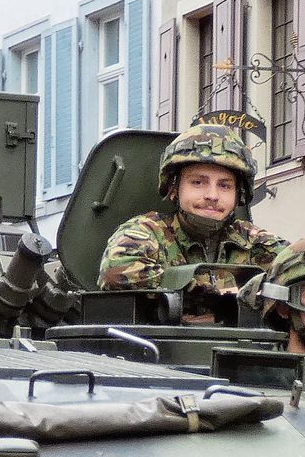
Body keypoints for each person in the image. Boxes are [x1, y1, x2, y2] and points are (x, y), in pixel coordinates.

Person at [97, 123, 289, 322]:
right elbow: (117, 271)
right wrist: (213, 298)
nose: (212, 195)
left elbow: (302, 273)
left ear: (238, 194)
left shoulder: (253, 242)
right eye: (198, 182)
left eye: (224, 185)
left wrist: (233, 309)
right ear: (174, 188)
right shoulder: (148, 232)